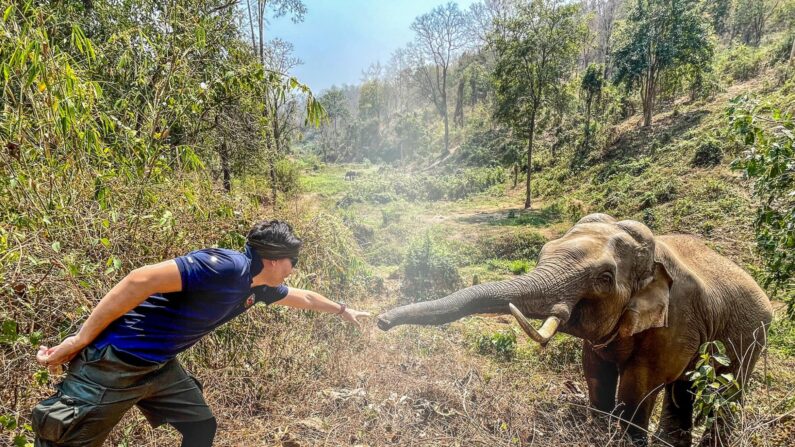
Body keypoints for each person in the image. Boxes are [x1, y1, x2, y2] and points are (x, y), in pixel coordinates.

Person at [31, 220, 369, 447]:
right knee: (67, 439)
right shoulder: (225, 267)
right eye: (292, 260)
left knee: (201, 426)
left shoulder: (260, 286)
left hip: (159, 367)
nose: (294, 268)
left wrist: (343, 309)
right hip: (114, 364)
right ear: (273, 259)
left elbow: (306, 297)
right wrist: (80, 339)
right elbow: (139, 280)